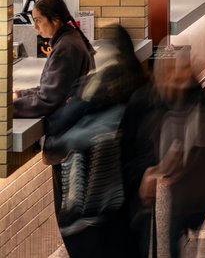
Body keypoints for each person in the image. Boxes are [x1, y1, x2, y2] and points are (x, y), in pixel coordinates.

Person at [122, 45, 205, 258]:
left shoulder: (201, 101)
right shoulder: (145, 103)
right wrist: (148, 172)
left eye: (182, 68)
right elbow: (131, 148)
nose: (178, 74)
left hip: (195, 195)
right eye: (171, 70)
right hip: (157, 200)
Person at [44, 25, 146, 258]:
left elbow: (67, 120)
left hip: (96, 192)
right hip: (124, 193)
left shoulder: (103, 83)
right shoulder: (139, 82)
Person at [14, 0, 96, 120]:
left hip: (66, 126)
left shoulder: (65, 48)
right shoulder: (70, 38)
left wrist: (8, 108)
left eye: (38, 20)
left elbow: (47, 100)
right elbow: (50, 89)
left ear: (56, 19)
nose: (35, 27)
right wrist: (19, 94)